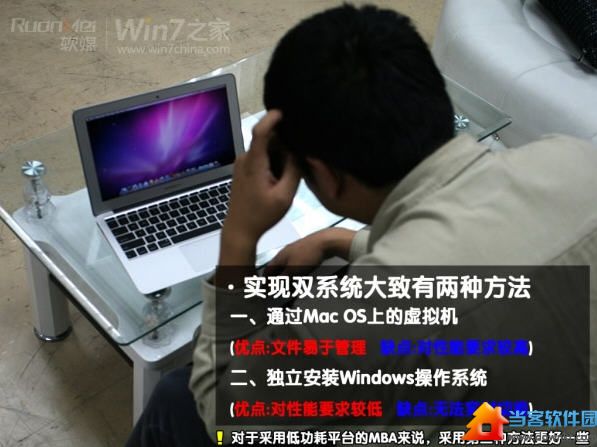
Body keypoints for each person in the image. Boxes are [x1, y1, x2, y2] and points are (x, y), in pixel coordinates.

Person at [127, 4, 597, 446]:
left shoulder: (363, 313)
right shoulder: (573, 157)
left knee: (176, 399)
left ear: (327, 176)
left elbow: (224, 416)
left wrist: (239, 237)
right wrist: (340, 239)